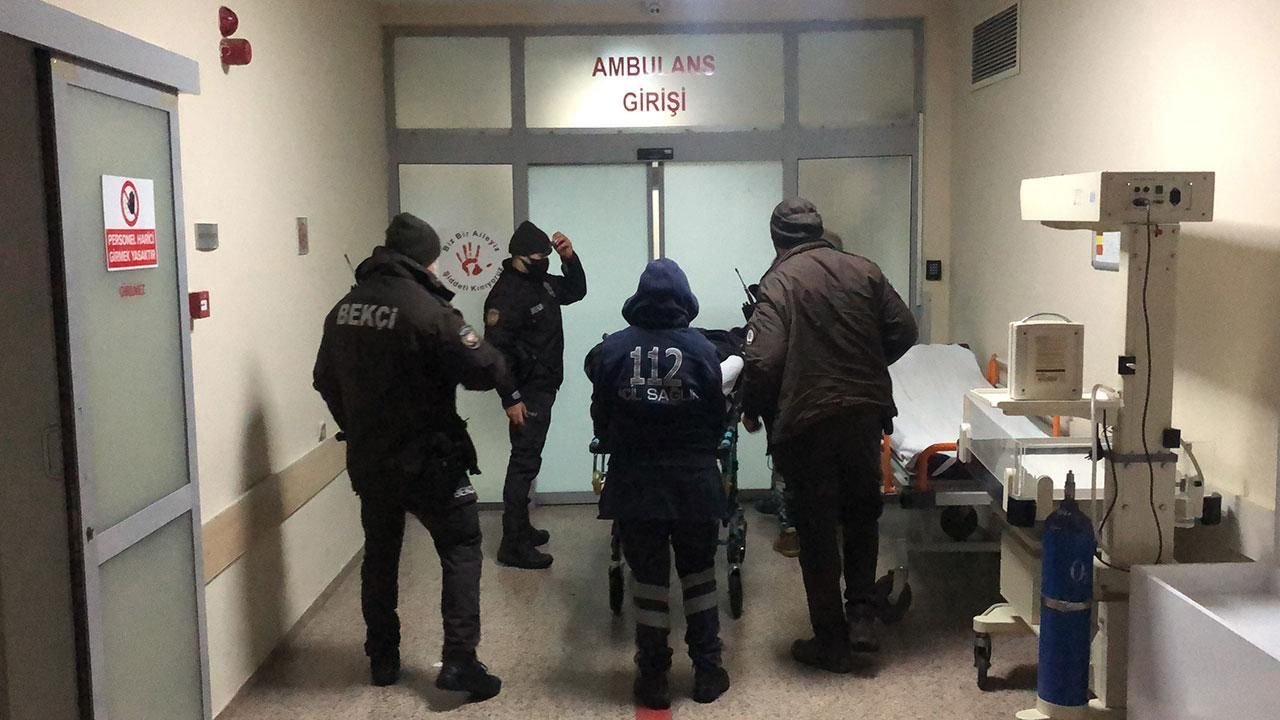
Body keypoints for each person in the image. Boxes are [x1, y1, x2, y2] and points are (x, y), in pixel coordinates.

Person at [313, 213, 519, 701]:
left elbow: (324, 379)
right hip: (430, 459)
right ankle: (460, 662)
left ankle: (382, 659)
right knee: (462, 545)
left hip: (371, 459)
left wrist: (356, 427)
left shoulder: (343, 309)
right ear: (425, 258)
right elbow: (483, 368)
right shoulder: (428, 310)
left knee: (380, 555)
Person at [742, 199, 918, 673]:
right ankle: (861, 617)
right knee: (861, 515)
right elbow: (905, 330)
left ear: (777, 239)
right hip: (864, 414)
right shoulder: (865, 270)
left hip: (808, 421)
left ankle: (831, 641)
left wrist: (753, 408)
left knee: (817, 531)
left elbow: (763, 360)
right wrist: (865, 362)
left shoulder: (778, 282)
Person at [588, 259, 732, 709]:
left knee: (649, 581)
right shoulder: (702, 349)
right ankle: (707, 670)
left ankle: (653, 676)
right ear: (684, 300)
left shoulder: (614, 349)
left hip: (636, 483)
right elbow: (717, 418)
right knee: (699, 575)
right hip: (694, 482)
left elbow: (601, 416)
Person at [483, 220, 587, 569]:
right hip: (525, 391)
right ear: (519, 257)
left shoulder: (542, 282)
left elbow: (576, 291)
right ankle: (512, 545)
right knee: (523, 464)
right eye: (539, 257)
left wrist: (569, 258)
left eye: (547, 256)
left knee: (529, 460)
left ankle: (521, 528)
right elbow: (495, 355)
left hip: (544, 384)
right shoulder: (505, 295)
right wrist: (511, 398)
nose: (544, 261)